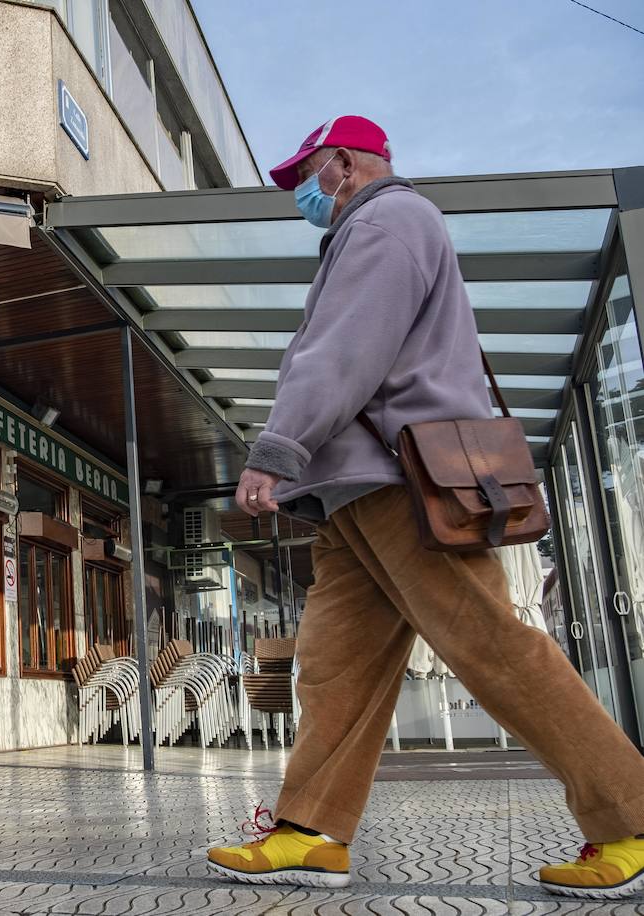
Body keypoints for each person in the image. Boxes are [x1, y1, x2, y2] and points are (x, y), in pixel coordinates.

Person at [204, 115, 644, 900]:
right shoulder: (367, 232)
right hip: (353, 493)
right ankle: (312, 831)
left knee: (493, 650)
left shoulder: (389, 220)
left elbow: (346, 349)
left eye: (302, 174)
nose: (298, 192)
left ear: (342, 163)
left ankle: (632, 817)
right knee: (335, 668)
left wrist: (279, 449)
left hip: (399, 484)